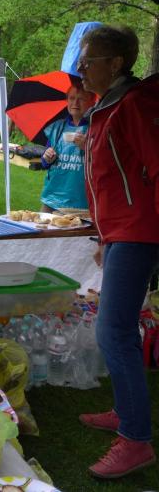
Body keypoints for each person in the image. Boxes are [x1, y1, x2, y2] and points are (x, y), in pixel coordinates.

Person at [76, 24, 159, 479]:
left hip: (139, 231)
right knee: (117, 329)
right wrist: (104, 237)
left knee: (113, 332)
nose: (80, 68)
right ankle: (126, 411)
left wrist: (123, 234)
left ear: (116, 63)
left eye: (88, 60)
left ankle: (136, 440)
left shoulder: (135, 103)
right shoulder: (106, 106)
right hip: (120, 233)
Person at [38, 79, 96, 212]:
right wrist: (47, 158)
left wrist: (88, 148)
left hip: (83, 203)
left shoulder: (96, 128)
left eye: (81, 99)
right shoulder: (57, 127)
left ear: (92, 102)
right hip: (52, 200)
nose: (75, 103)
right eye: (72, 98)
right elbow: (45, 162)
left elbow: (105, 164)